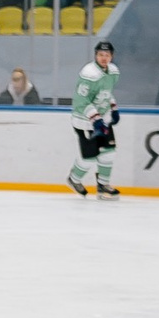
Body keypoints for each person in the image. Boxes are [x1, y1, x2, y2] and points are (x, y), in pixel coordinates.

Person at [66, 38, 121, 200]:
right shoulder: (89, 74)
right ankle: (74, 179)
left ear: (112, 56)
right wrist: (95, 118)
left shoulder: (113, 72)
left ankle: (103, 185)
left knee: (109, 152)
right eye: (100, 54)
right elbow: (81, 101)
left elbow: (106, 93)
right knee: (89, 158)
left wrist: (114, 107)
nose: (104, 58)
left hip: (102, 119)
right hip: (84, 121)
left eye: (107, 54)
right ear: (96, 55)